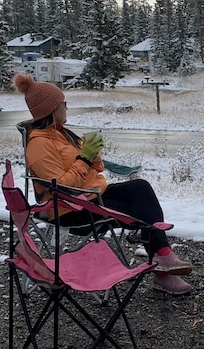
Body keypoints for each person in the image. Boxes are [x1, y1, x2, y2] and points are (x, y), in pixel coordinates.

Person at [12, 73, 193, 295]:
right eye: (63, 104)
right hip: (72, 209)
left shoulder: (62, 134)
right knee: (140, 214)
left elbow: (95, 168)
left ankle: (162, 257)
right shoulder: (39, 144)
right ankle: (162, 271)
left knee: (140, 188)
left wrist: (93, 152)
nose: (66, 108)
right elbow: (61, 188)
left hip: (92, 196)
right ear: (51, 110)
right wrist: (85, 157)